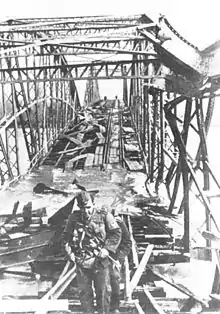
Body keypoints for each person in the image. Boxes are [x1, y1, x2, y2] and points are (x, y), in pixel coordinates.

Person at [62, 194, 121, 314]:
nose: (86, 211)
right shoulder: (74, 218)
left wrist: (107, 249)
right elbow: (65, 238)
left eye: (88, 207)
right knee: (85, 295)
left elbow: (116, 233)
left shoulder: (104, 215)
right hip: (82, 261)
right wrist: (70, 255)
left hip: (101, 261)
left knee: (103, 293)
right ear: (78, 206)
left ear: (93, 204)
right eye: (82, 208)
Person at [109, 210, 132, 314]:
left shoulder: (119, 223)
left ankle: (114, 307)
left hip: (115, 256)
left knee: (114, 277)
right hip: (101, 255)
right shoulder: (98, 222)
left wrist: (118, 258)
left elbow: (127, 243)